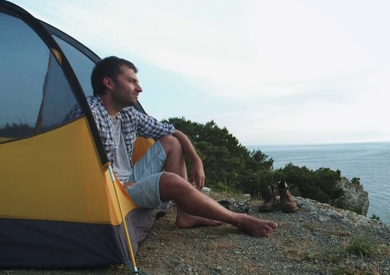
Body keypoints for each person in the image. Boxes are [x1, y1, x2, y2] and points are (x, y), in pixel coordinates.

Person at [80, 56, 277, 237]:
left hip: (127, 180)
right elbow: (80, 168)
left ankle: (186, 215)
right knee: (170, 181)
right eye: (132, 81)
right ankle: (238, 220)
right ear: (109, 83)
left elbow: (173, 131)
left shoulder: (127, 114)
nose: (139, 88)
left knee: (171, 141)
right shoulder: (89, 114)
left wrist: (196, 159)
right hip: (108, 190)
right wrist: (119, 185)